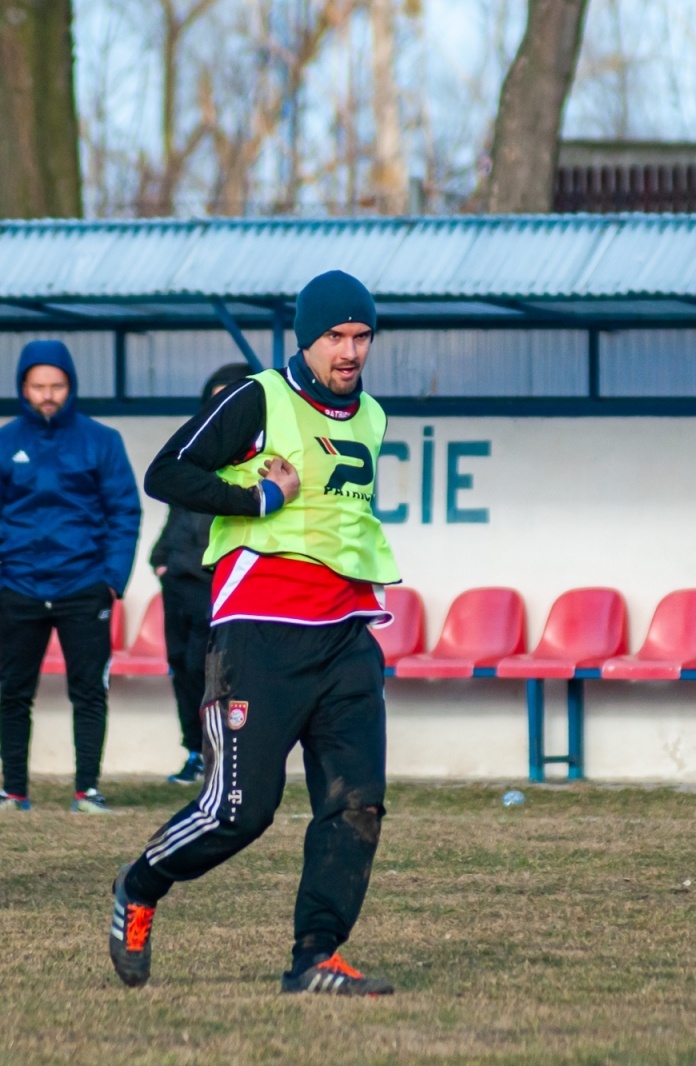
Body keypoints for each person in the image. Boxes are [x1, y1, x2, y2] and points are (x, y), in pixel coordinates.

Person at [107, 271, 400, 996]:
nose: (350, 351)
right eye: (335, 336)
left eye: (362, 336)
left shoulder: (371, 416)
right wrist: (256, 496)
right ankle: (139, 886)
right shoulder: (259, 398)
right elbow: (166, 473)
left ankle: (316, 957)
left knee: (357, 803)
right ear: (306, 338)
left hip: (347, 634)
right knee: (238, 812)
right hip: (260, 636)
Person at [0, 339, 141, 814]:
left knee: (89, 692)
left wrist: (112, 580)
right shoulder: (0, 445)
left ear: (72, 386)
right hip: (17, 589)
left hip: (84, 587)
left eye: (57, 386)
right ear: (22, 388)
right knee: (15, 694)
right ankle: (14, 791)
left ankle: (87, 790)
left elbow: (124, 512)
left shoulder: (102, 441)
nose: (48, 395)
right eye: (38, 386)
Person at [148, 362, 253, 785]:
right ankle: (194, 752)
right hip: (179, 582)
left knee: (216, 672)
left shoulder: (256, 460)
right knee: (183, 669)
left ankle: (226, 756)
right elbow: (176, 513)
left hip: (220, 584)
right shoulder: (193, 453)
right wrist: (161, 557)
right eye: (215, 403)